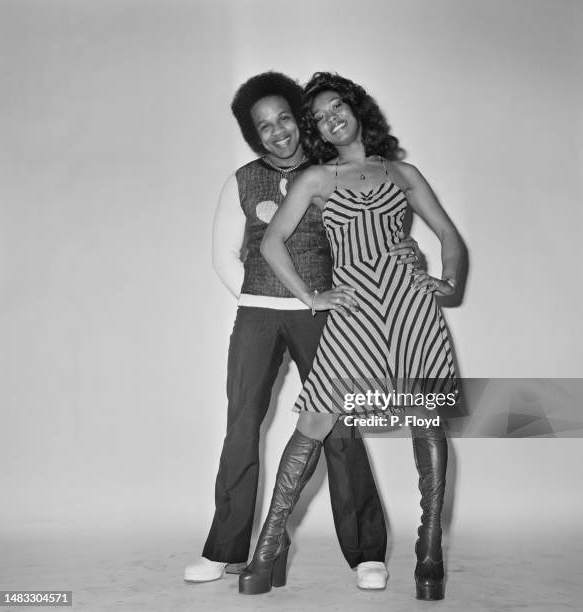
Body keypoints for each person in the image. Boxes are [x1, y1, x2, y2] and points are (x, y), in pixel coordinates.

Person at [184, 72, 421, 590]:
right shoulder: (243, 179)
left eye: (284, 118)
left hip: (324, 318)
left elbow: (368, 236)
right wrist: (258, 298)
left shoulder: (330, 174)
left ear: (300, 118)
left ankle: (366, 553)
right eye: (264, 127)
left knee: (339, 424)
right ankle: (223, 549)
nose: (277, 132)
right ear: (255, 136)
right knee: (242, 427)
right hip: (257, 315)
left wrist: (408, 254)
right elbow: (224, 252)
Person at [239, 72, 462, 600]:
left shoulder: (401, 171)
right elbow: (272, 244)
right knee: (315, 421)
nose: (330, 119)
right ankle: (266, 551)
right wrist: (312, 297)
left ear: (356, 108)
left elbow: (449, 235)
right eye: (317, 117)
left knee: (425, 422)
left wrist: (445, 283)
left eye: (336, 106)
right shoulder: (316, 178)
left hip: (410, 308)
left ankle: (428, 552)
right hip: (354, 311)